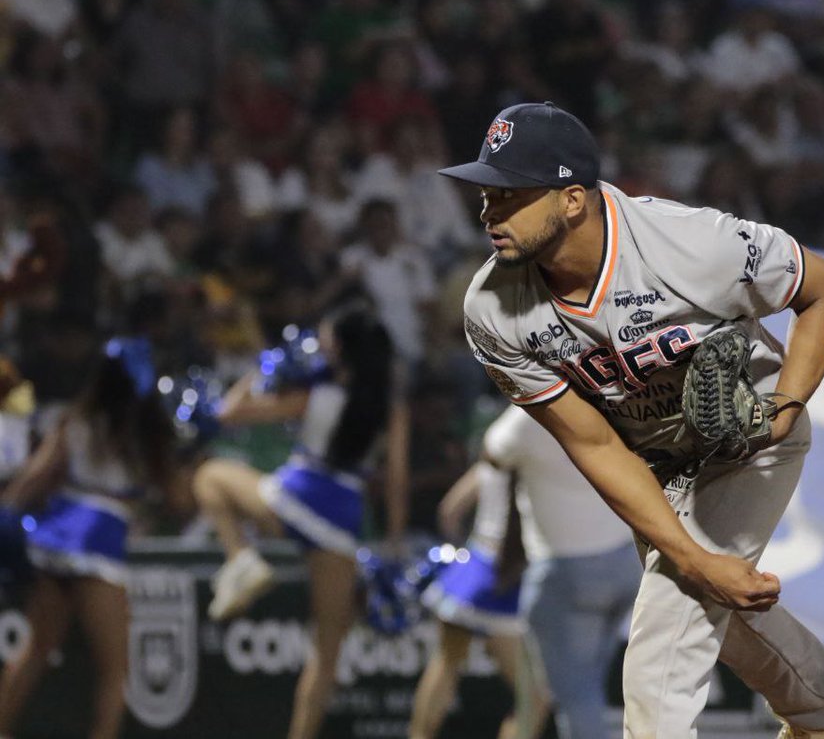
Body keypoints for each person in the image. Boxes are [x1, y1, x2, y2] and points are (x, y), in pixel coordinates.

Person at [439, 101, 824, 738]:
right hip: (653, 459)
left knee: (661, 651)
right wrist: (695, 559)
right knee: (717, 604)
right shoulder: (494, 310)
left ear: (570, 200)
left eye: (509, 194)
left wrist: (785, 409)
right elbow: (592, 443)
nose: (488, 211)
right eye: (484, 193)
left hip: (747, 438)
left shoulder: (689, 243)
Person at [192, 305, 397, 739]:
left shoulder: (313, 394)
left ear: (339, 347)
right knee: (326, 654)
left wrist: (262, 368)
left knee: (210, 476)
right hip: (344, 516)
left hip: (298, 494)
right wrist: (394, 537)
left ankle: (241, 559)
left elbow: (229, 413)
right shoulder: (388, 405)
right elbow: (395, 476)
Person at [0, 336, 180, 739]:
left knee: (34, 651)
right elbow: (177, 499)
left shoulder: (75, 420)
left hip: (57, 535)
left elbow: (35, 477)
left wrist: (7, 510)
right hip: (99, 539)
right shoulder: (148, 432)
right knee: (115, 670)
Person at [493, 403, 642, 739]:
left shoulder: (533, 408)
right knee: (589, 687)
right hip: (625, 563)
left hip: (567, 572)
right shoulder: (609, 395)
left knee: (577, 695)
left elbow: (493, 451)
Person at [409, 422, 546, 739]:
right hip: (503, 579)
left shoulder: (495, 444)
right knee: (534, 697)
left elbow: (449, 511)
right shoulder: (544, 448)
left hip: (471, 567)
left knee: (446, 663)